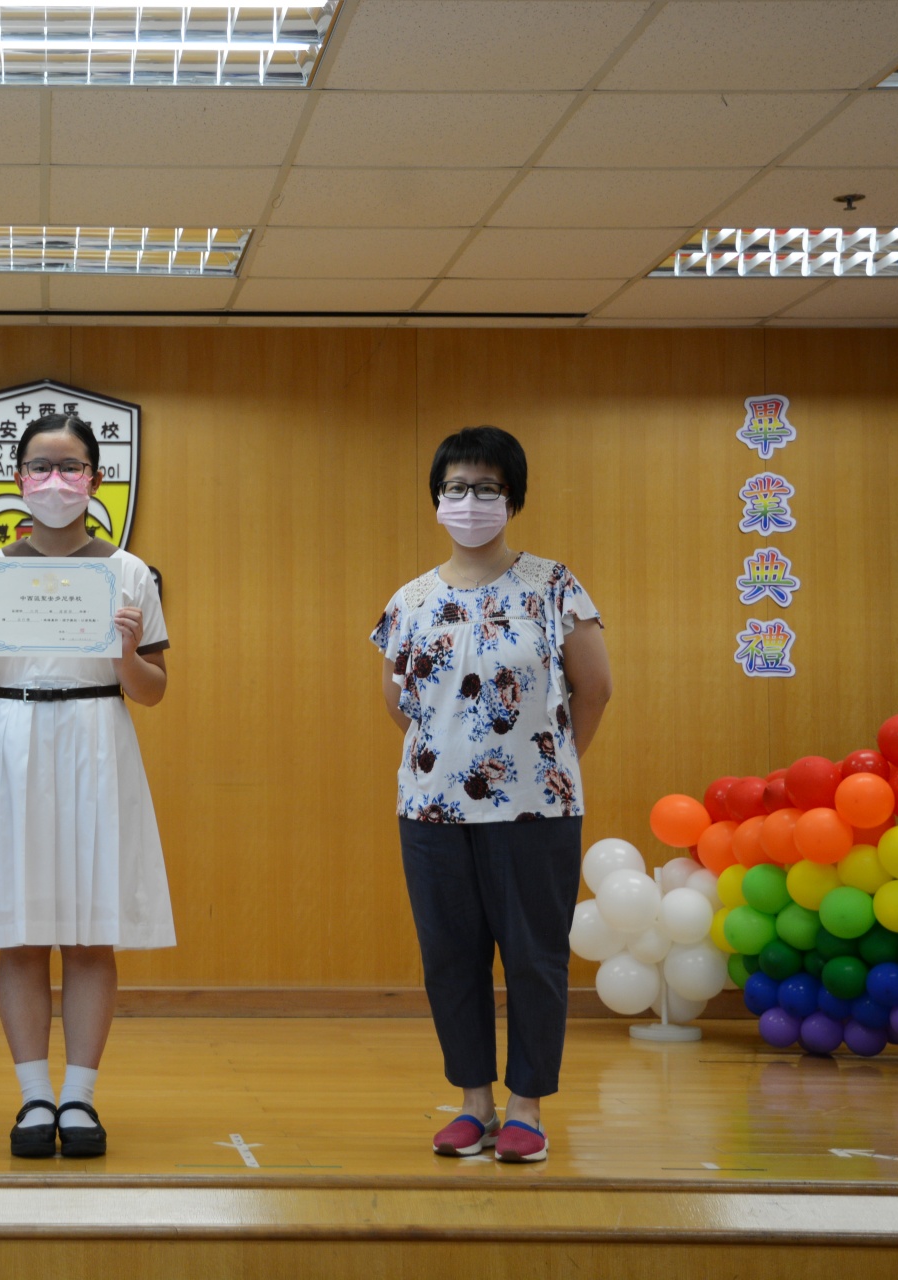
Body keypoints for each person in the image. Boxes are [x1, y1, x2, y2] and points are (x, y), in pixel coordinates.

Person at [371, 425, 612, 1165]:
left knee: (534, 957)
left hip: (536, 808)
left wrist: (552, 763)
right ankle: (473, 1103)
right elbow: (398, 702)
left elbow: (596, 688)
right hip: (431, 810)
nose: (469, 501)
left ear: (513, 498)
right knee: (450, 957)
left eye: (486, 488)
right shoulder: (410, 599)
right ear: (436, 499)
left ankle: (526, 1109)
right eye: (455, 488)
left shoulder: (554, 585)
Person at [0, 412, 173, 1159]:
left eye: (69, 466)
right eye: (40, 467)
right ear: (18, 479)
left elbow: (152, 691)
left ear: (94, 479)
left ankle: (79, 1097)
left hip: (96, 738)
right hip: (12, 740)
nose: (54, 480)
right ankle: (33, 1096)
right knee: (20, 932)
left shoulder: (129, 572)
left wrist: (126, 654)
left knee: (88, 932)